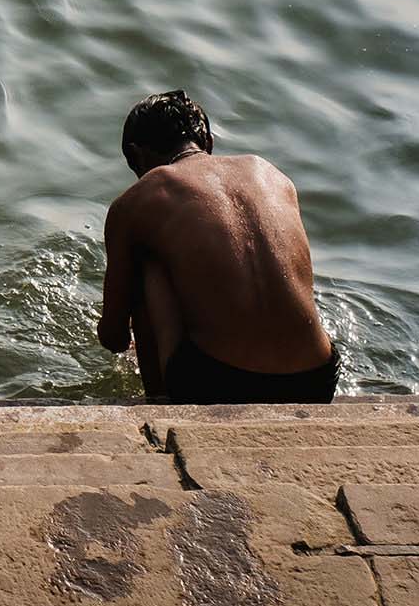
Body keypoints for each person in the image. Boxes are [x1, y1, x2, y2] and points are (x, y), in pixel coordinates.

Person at [96, 91, 339, 403]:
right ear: (207, 141)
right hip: (316, 381)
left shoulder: (140, 198)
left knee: (147, 261)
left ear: (136, 155)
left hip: (222, 383)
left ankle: (159, 407)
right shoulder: (269, 174)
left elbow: (113, 337)